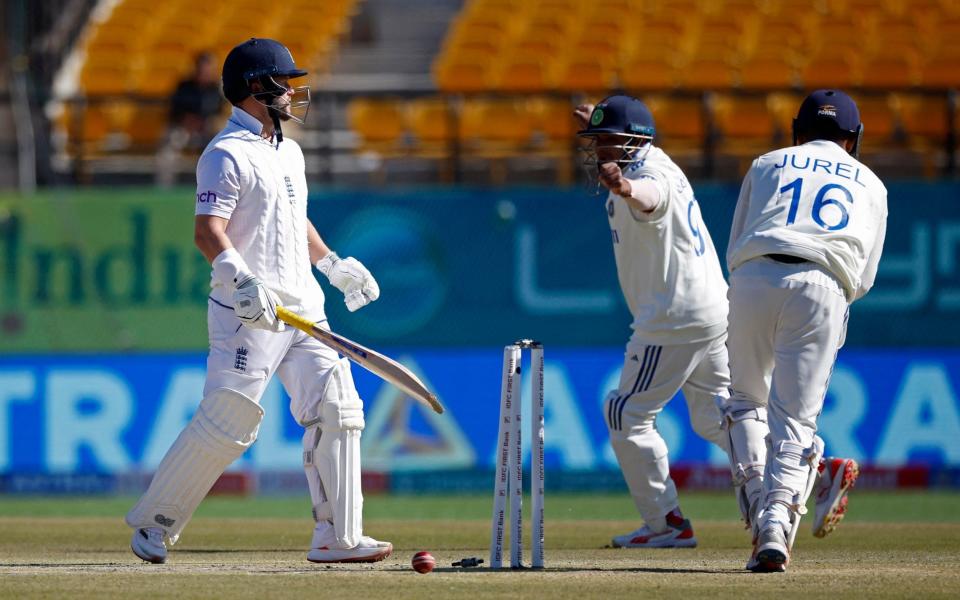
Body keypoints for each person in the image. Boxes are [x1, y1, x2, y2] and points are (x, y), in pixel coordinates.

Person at [126, 38, 388, 565]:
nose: (292, 93)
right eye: (283, 83)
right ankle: (155, 523)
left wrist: (332, 264)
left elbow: (292, 220)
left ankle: (337, 536)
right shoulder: (224, 154)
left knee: (338, 408)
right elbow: (208, 232)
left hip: (304, 308)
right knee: (229, 420)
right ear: (255, 89)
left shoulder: (288, 150)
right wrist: (242, 281)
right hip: (249, 314)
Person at [575, 95, 861, 552]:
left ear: (636, 142)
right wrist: (601, 122)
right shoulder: (652, 159)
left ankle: (666, 523)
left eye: (609, 142)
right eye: (597, 142)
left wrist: (626, 189)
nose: (600, 152)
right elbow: (635, 163)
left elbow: (651, 197)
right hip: (709, 308)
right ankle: (814, 468)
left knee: (624, 413)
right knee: (721, 420)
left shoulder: (649, 176)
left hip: (674, 319)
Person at [722, 89, 887, 572]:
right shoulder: (873, 185)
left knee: (744, 402)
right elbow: (866, 277)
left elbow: (737, 240)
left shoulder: (767, 162)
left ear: (798, 130)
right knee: (795, 420)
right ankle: (775, 524)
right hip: (823, 283)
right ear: (852, 138)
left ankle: (761, 508)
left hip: (752, 276)